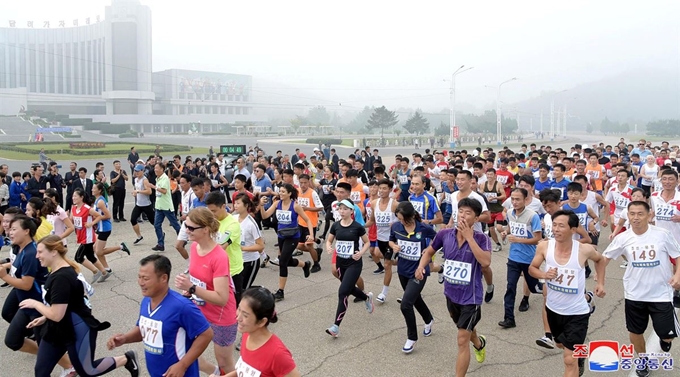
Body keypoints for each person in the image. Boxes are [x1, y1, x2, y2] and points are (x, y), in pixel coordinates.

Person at [18, 235, 139, 377]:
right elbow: (67, 303)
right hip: (57, 329)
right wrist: (45, 316)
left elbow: (57, 315)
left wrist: (35, 304)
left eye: (40, 252)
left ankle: (126, 359)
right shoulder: (56, 271)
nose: (37, 256)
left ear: (54, 252)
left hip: (76, 329)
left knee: (87, 371)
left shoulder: (62, 277)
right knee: (41, 371)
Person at [601, 201, 680, 377]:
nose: (636, 218)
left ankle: (665, 338)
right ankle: (642, 360)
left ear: (649, 215)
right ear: (627, 216)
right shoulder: (623, 238)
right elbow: (604, 259)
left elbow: (678, 255)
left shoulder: (662, 234)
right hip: (634, 293)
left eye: (640, 214)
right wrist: (599, 281)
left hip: (661, 293)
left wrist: (678, 276)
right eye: (632, 214)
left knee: (667, 336)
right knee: (635, 331)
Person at [416, 198, 491, 375]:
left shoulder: (482, 239)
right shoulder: (445, 234)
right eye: (461, 211)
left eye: (468, 213)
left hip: (471, 298)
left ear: (476, 218)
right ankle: (480, 344)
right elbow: (429, 251)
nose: (463, 216)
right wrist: (421, 266)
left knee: (461, 339)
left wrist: (469, 238)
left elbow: (486, 263)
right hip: (451, 294)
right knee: (465, 330)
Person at [107, 255, 213, 377]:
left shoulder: (182, 306)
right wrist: (125, 338)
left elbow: (206, 334)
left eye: (145, 278)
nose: (141, 283)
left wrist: (183, 365)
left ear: (163, 278)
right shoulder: (146, 301)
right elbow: (143, 329)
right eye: (139, 277)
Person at [528, 211, 606, 377]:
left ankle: (576, 358)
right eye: (554, 225)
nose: (556, 229)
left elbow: (600, 260)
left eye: (561, 226)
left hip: (577, 313)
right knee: (559, 345)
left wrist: (600, 283)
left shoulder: (583, 250)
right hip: (553, 310)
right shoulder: (544, 246)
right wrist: (544, 275)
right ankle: (581, 355)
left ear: (573, 229)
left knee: (569, 359)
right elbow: (532, 268)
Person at [174, 207, 238, 375]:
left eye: (191, 228)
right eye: (185, 225)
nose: (186, 230)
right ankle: (215, 372)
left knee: (225, 362)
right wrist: (189, 289)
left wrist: (192, 287)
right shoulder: (194, 247)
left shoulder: (219, 257)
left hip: (221, 316)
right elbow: (199, 279)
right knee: (188, 354)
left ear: (206, 229)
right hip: (200, 310)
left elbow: (222, 298)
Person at [212, 288, 300, 377]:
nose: (238, 317)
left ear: (262, 322)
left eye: (245, 315)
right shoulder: (247, 334)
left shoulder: (278, 354)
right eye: (239, 309)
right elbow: (243, 370)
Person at [0, 215, 50, 359]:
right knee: (12, 341)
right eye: (10, 229)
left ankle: (70, 366)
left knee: (47, 346)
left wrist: (4, 276)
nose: (9, 232)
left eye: (14, 229)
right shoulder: (22, 250)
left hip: (37, 306)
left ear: (27, 231)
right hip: (26, 305)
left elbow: (27, 285)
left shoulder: (30, 253)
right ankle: (47, 357)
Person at [390, 201, 436, 353]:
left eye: (404, 219)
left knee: (405, 304)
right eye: (399, 219)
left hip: (419, 271)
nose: (401, 222)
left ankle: (412, 338)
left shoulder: (423, 228)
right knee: (415, 299)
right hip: (403, 269)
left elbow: (438, 240)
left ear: (412, 216)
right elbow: (390, 240)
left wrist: (428, 251)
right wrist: (393, 246)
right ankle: (428, 319)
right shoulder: (396, 227)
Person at [324, 199, 373, 337]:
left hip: (354, 263)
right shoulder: (336, 225)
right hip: (341, 263)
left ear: (352, 211)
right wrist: (328, 246)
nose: (342, 211)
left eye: (345, 209)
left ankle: (335, 327)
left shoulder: (357, 226)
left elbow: (367, 242)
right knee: (349, 288)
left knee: (343, 292)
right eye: (340, 208)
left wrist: (361, 253)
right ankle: (366, 298)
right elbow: (329, 240)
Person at [497, 188, 543, 327]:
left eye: (518, 199)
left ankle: (552, 290)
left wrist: (518, 240)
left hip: (529, 259)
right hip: (513, 258)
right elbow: (512, 226)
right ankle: (509, 319)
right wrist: (505, 232)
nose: (515, 202)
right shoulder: (510, 212)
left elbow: (538, 239)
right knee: (510, 287)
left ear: (525, 200)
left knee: (535, 288)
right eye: (513, 199)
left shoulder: (532, 216)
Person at [259, 183, 313, 301]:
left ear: (289, 193)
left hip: (293, 237)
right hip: (282, 235)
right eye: (280, 191)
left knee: (282, 262)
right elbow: (265, 216)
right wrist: (261, 205)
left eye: (283, 192)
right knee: (287, 261)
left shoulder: (295, 206)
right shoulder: (277, 203)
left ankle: (280, 291)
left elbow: (307, 220)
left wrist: (311, 235)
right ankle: (305, 264)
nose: (281, 194)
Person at [70, 188, 109, 284]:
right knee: (90, 256)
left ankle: (96, 271)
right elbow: (72, 220)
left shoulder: (87, 208)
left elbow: (99, 216)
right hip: (80, 235)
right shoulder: (74, 208)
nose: (73, 198)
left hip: (88, 237)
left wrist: (91, 224)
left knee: (78, 257)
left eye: (76, 196)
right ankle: (104, 272)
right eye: (73, 196)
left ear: (81, 197)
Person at [92, 182, 130, 278]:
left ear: (99, 190)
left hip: (105, 228)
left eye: (94, 188)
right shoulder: (97, 200)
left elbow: (108, 216)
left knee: (99, 252)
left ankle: (121, 246)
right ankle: (107, 268)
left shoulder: (100, 202)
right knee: (96, 249)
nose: (92, 189)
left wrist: (97, 218)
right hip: (100, 228)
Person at [234, 193, 264, 290]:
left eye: (238, 203)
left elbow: (260, 246)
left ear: (246, 205)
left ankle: (261, 291)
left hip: (250, 261)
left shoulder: (251, 223)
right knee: (237, 288)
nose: (235, 205)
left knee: (244, 289)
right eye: (235, 203)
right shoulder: (233, 219)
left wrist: (243, 248)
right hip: (237, 261)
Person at [151, 163, 181, 252]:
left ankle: (182, 239)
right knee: (157, 225)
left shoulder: (164, 178)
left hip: (166, 206)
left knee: (175, 224)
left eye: (157, 168)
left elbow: (164, 191)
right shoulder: (158, 178)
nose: (155, 170)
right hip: (159, 206)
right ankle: (160, 244)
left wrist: (154, 187)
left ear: (162, 169)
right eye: (155, 168)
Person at [130, 164, 155, 245]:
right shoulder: (136, 179)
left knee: (153, 221)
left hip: (146, 205)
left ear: (142, 171)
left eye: (138, 171)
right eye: (135, 171)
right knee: (133, 220)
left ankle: (161, 233)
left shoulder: (145, 180)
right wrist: (135, 193)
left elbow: (149, 191)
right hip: (139, 204)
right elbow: (136, 189)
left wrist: (138, 192)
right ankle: (139, 236)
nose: (136, 172)